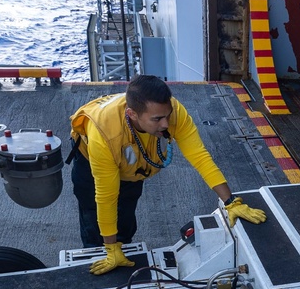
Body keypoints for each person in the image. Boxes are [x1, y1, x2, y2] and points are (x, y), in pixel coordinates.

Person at [70, 75, 267, 274]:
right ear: (132, 114)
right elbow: (106, 196)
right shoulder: (104, 136)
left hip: (131, 166)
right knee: (93, 218)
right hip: (91, 161)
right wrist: (111, 248)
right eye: (157, 119)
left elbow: (199, 156)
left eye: (167, 115)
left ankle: (121, 246)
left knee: (126, 216)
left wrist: (231, 202)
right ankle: (103, 254)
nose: (165, 124)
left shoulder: (172, 112)